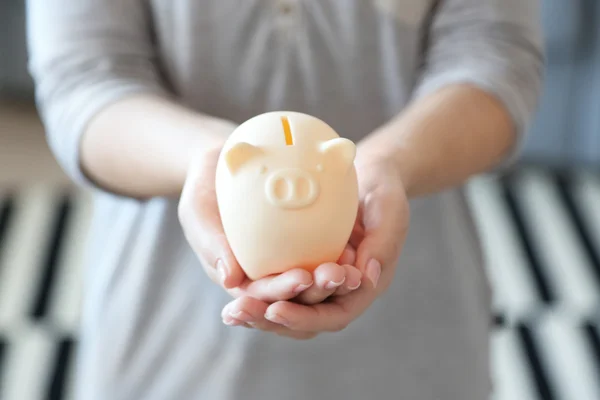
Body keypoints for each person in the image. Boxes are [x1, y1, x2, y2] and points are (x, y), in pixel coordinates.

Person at [25, 0, 543, 399]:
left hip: (415, 335)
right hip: (168, 342)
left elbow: (499, 60)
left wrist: (390, 163)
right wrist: (210, 160)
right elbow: (83, 82)